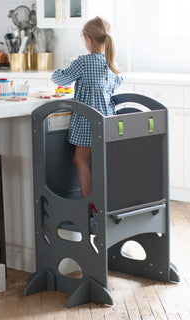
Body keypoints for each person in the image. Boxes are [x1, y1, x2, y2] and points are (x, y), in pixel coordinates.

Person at [51, 16, 123, 200]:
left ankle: (89, 203)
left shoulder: (83, 62)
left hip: (87, 120)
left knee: (80, 160)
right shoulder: (111, 65)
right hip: (107, 120)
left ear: (89, 40)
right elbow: (115, 85)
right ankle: (105, 199)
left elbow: (60, 79)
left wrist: (59, 70)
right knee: (100, 161)